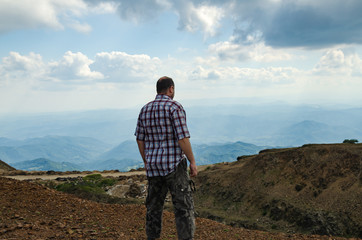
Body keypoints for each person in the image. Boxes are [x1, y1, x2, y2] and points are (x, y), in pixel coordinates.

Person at [135, 76, 198, 240]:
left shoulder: (145, 109)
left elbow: (140, 139)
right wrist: (192, 161)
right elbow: (182, 138)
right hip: (174, 165)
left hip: (154, 167)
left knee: (154, 208)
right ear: (171, 88)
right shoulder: (174, 107)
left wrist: (146, 160)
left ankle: (152, 238)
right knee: (183, 207)